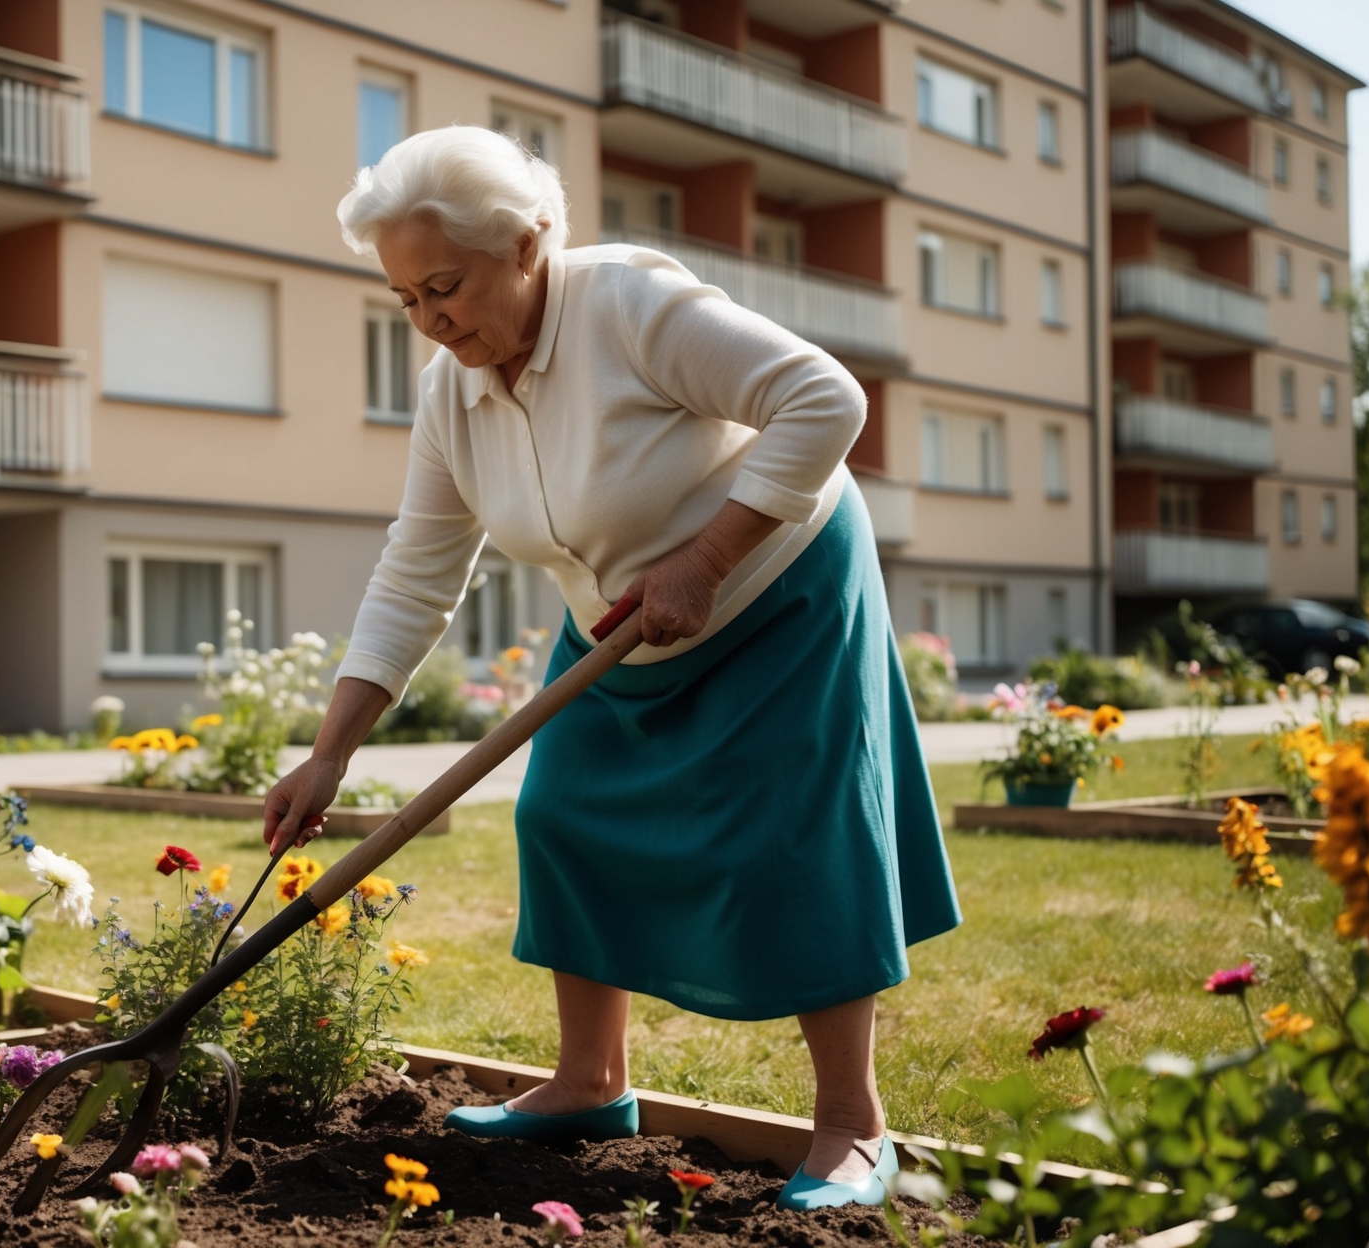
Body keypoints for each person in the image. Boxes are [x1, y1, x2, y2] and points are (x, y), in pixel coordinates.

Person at [261, 126, 961, 1211]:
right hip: (621, 616)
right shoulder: (452, 393)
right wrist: (329, 756)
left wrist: (709, 556)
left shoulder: (630, 307)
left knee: (795, 836)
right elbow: (417, 573)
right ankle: (589, 1083)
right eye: (407, 301)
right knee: (561, 818)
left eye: (445, 286)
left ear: (529, 242)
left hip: (777, 581)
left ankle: (852, 1127)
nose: (433, 321)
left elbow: (826, 399)